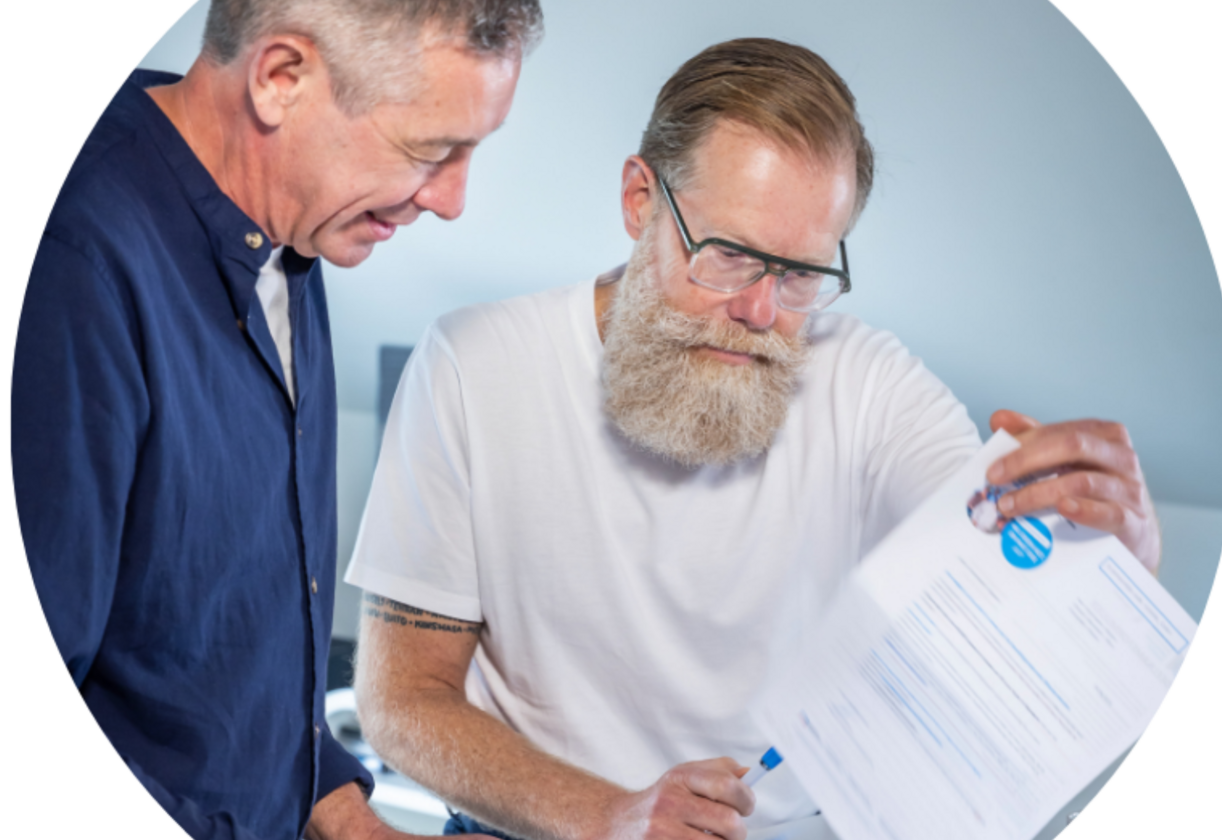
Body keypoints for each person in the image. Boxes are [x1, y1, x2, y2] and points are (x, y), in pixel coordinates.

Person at [345, 38, 1162, 840]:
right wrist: (610, 817)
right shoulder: (472, 365)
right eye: (730, 255)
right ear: (640, 201)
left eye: (801, 274)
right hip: (538, 825)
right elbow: (403, 703)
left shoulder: (870, 386)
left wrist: (1109, 555)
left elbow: (1002, 568)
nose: (763, 313)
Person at [13, 1, 542, 838]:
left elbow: (230, 631)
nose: (452, 200)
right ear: (280, 79)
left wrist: (339, 808)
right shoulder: (75, 268)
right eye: (429, 151)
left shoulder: (289, 221)